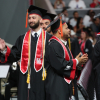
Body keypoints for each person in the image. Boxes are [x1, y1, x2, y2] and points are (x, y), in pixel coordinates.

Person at [0, 5, 52, 100]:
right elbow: (14, 56)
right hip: (25, 80)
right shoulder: (22, 39)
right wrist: (4, 49)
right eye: (29, 18)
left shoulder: (49, 39)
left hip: (43, 80)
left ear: (40, 20)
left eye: (33, 18)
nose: (31, 20)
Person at [44, 18, 88, 100]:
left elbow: (66, 62)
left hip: (63, 86)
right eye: (67, 28)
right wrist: (76, 61)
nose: (69, 30)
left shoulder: (62, 44)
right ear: (60, 30)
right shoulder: (53, 45)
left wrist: (77, 64)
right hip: (56, 88)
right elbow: (60, 65)